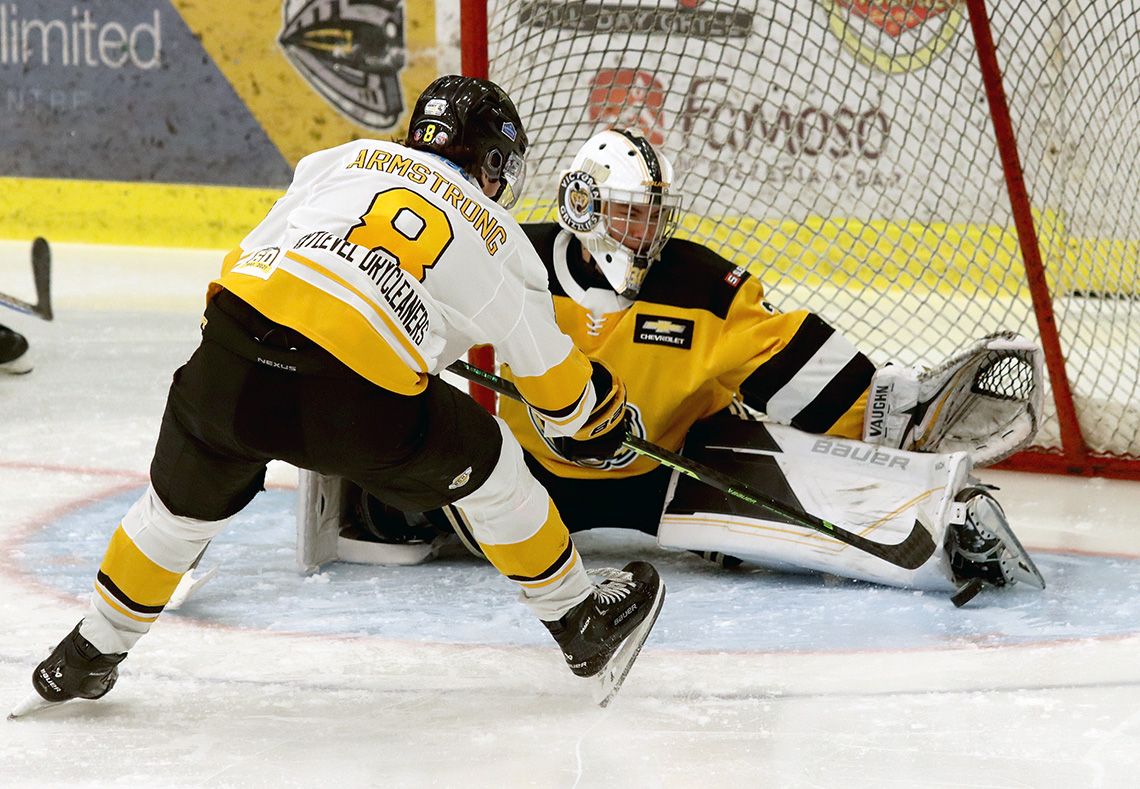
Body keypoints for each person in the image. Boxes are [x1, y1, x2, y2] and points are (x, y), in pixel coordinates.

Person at [20, 81, 667, 714]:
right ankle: (582, 620)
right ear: (494, 163)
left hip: (230, 356)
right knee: (492, 463)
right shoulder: (496, 232)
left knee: (178, 511)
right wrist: (597, 419)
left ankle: (86, 654)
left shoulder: (338, 160)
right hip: (355, 405)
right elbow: (559, 395)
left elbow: (251, 258)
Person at [323, 128, 1045, 600]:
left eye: (654, 214)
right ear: (584, 205)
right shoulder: (514, 258)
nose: (648, 231)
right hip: (530, 473)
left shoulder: (699, 285)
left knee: (808, 525)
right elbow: (420, 311)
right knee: (399, 510)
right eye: (633, 212)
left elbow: (780, 354)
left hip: (667, 467)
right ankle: (369, 499)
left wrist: (886, 410)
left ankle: (946, 523)